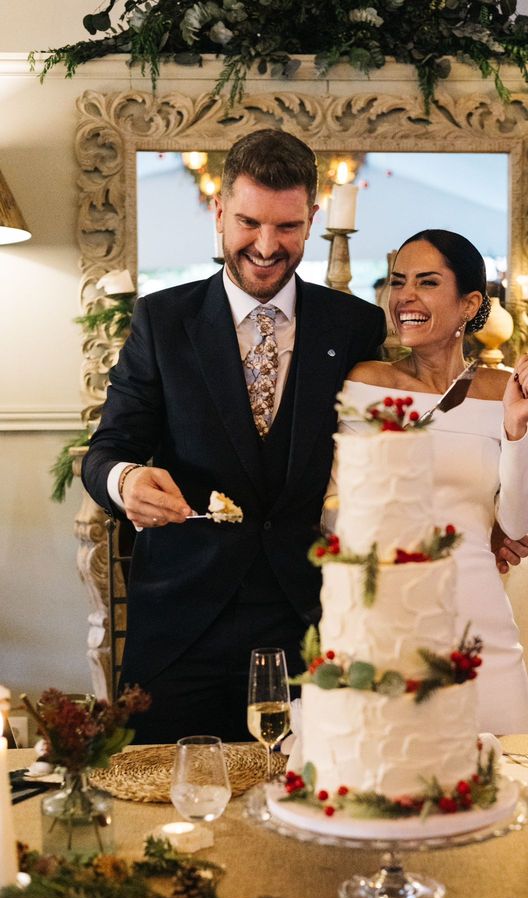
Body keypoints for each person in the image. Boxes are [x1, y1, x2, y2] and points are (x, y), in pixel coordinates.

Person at [82, 128, 386, 742]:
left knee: (305, 819)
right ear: (219, 213)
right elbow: (106, 450)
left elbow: (394, 449)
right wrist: (126, 480)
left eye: (288, 227)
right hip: (182, 626)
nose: (267, 247)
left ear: (312, 219)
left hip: (310, 622)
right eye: (249, 223)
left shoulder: (355, 325)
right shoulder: (163, 321)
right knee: (166, 806)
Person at [337, 229, 528, 733]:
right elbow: (341, 509)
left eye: (427, 282)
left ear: (469, 303)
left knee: (512, 775)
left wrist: (516, 432)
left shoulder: (502, 390)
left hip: (480, 615)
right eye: (398, 281)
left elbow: (517, 521)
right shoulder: (366, 385)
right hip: (390, 618)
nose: (405, 296)